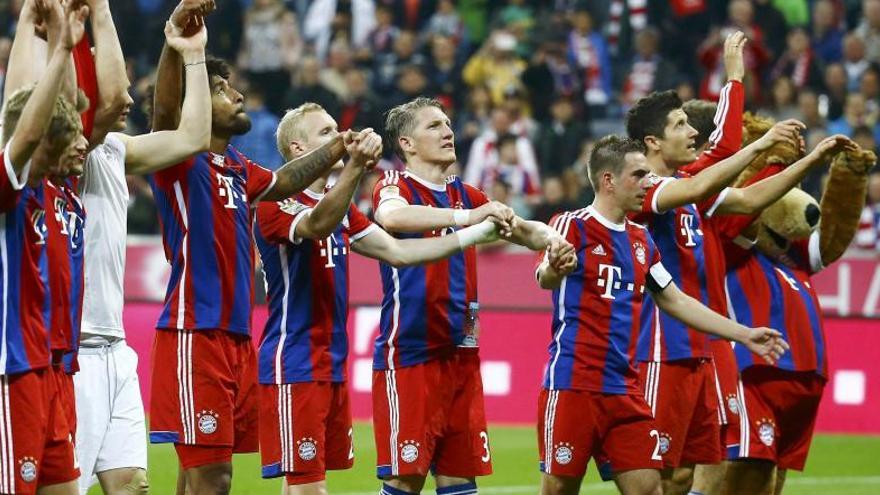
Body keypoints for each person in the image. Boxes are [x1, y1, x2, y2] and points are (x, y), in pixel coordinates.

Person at [146, 4, 369, 493]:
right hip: (194, 330)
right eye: (223, 90)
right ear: (198, 101)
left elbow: (287, 179)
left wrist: (337, 149)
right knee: (214, 477)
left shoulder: (240, 169)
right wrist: (180, 42)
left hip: (235, 335)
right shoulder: (179, 159)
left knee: (200, 475)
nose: (239, 94)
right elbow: (164, 114)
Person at [256, 102, 501, 494]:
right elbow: (319, 224)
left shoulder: (345, 211)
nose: (340, 138)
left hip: (330, 361)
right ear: (300, 150)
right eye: (326, 133)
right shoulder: (276, 204)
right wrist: (354, 167)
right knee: (307, 488)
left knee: (304, 486)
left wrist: (474, 232)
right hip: (293, 362)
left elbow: (400, 254)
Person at [534, 135, 789, 495]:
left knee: (650, 490)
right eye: (639, 175)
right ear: (608, 180)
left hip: (624, 388)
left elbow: (675, 300)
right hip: (574, 383)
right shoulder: (571, 225)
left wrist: (743, 333)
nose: (648, 182)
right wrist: (555, 268)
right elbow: (545, 276)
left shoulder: (641, 240)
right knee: (559, 490)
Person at [370, 97, 574, 495]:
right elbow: (392, 217)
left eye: (447, 123)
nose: (448, 131)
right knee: (405, 480)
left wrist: (553, 239)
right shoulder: (396, 185)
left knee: (461, 481)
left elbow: (524, 228)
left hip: (462, 356)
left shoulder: (468, 194)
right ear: (407, 143)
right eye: (434, 126)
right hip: (411, 355)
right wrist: (467, 219)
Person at [69, 1, 215, 492]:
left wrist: (192, 54)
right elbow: (110, 102)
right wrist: (102, 8)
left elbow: (193, 135)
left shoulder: (115, 148)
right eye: (121, 83)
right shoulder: (67, 149)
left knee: (132, 484)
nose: (130, 97)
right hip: (71, 354)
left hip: (114, 348)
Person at [0, 1, 89, 493]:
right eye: (52, 146)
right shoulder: (5, 187)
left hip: (45, 365)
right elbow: (29, 123)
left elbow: (61, 114)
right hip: (10, 368)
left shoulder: (49, 191)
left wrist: (60, 37)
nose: (69, 146)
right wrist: (59, 50)